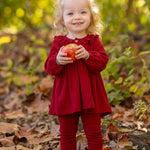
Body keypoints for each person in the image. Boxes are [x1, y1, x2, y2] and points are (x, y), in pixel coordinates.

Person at [44, 0, 111, 149]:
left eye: (83, 12)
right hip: (66, 95)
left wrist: (88, 55)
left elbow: (102, 62)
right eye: (70, 13)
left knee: (93, 132)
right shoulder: (59, 42)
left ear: (91, 16)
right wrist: (58, 60)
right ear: (62, 19)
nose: (77, 17)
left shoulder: (93, 40)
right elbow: (49, 67)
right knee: (67, 134)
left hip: (91, 96)